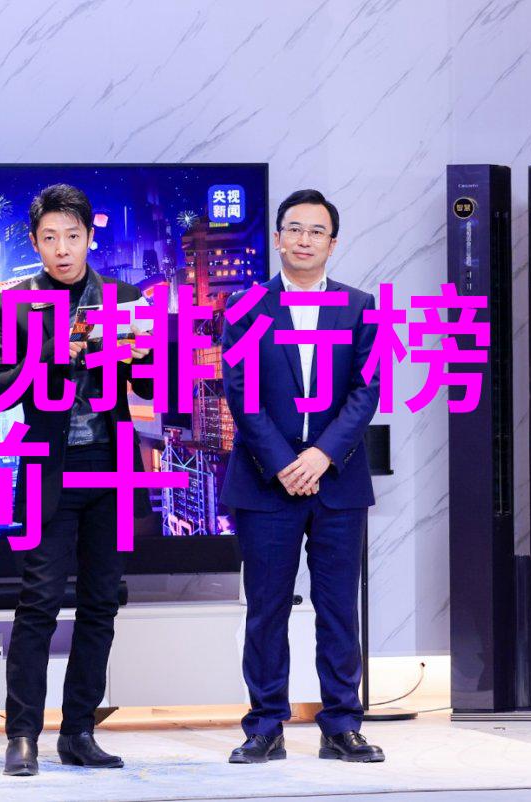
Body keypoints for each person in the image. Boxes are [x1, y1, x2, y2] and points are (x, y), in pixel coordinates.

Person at [0, 183, 153, 776]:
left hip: (114, 469)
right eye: (50, 238)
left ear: (88, 239)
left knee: (101, 604)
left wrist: (142, 360)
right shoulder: (13, 305)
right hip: (47, 472)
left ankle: (79, 731)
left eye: (73, 236)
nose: (62, 249)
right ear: (35, 243)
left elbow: (153, 390)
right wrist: (61, 351)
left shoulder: (126, 299)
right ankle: (22, 735)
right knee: (37, 603)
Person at [221, 189, 385, 764]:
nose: (305, 240)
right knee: (266, 609)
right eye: (294, 229)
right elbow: (240, 392)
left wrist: (321, 456)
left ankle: (341, 726)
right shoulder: (245, 306)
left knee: (339, 608)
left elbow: (367, 391)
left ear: (332, 244)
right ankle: (266, 727)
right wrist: (284, 464)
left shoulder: (361, 306)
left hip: (337, 481)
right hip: (266, 481)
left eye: (317, 231)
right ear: (278, 238)